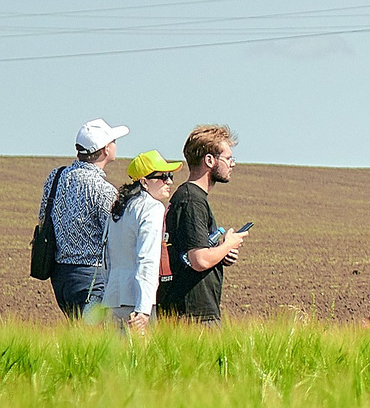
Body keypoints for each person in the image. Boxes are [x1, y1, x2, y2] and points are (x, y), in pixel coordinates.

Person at [156, 125, 247, 324]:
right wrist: (229, 244)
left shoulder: (189, 197)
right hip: (193, 316)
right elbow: (199, 260)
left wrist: (222, 253)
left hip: (188, 313)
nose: (233, 164)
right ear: (209, 160)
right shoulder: (192, 200)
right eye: (228, 158)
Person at [41, 118, 126, 315]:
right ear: (105, 150)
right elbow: (115, 236)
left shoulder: (56, 176)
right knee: (96, 341)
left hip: (59, 275)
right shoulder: (103, 190)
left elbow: (44, 218)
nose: (115, 145)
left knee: (80, 338)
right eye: (113, 141)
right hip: (91, 277)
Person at [98, 148, 181, 335]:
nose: (169, 181)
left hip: (112, 300)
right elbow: (147, 260)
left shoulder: (119, 208)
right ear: (144, 181)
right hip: (136, 304)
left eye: (170, 176)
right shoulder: (152, 208)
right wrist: (143, 309)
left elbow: (106, 259)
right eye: (162, 176)